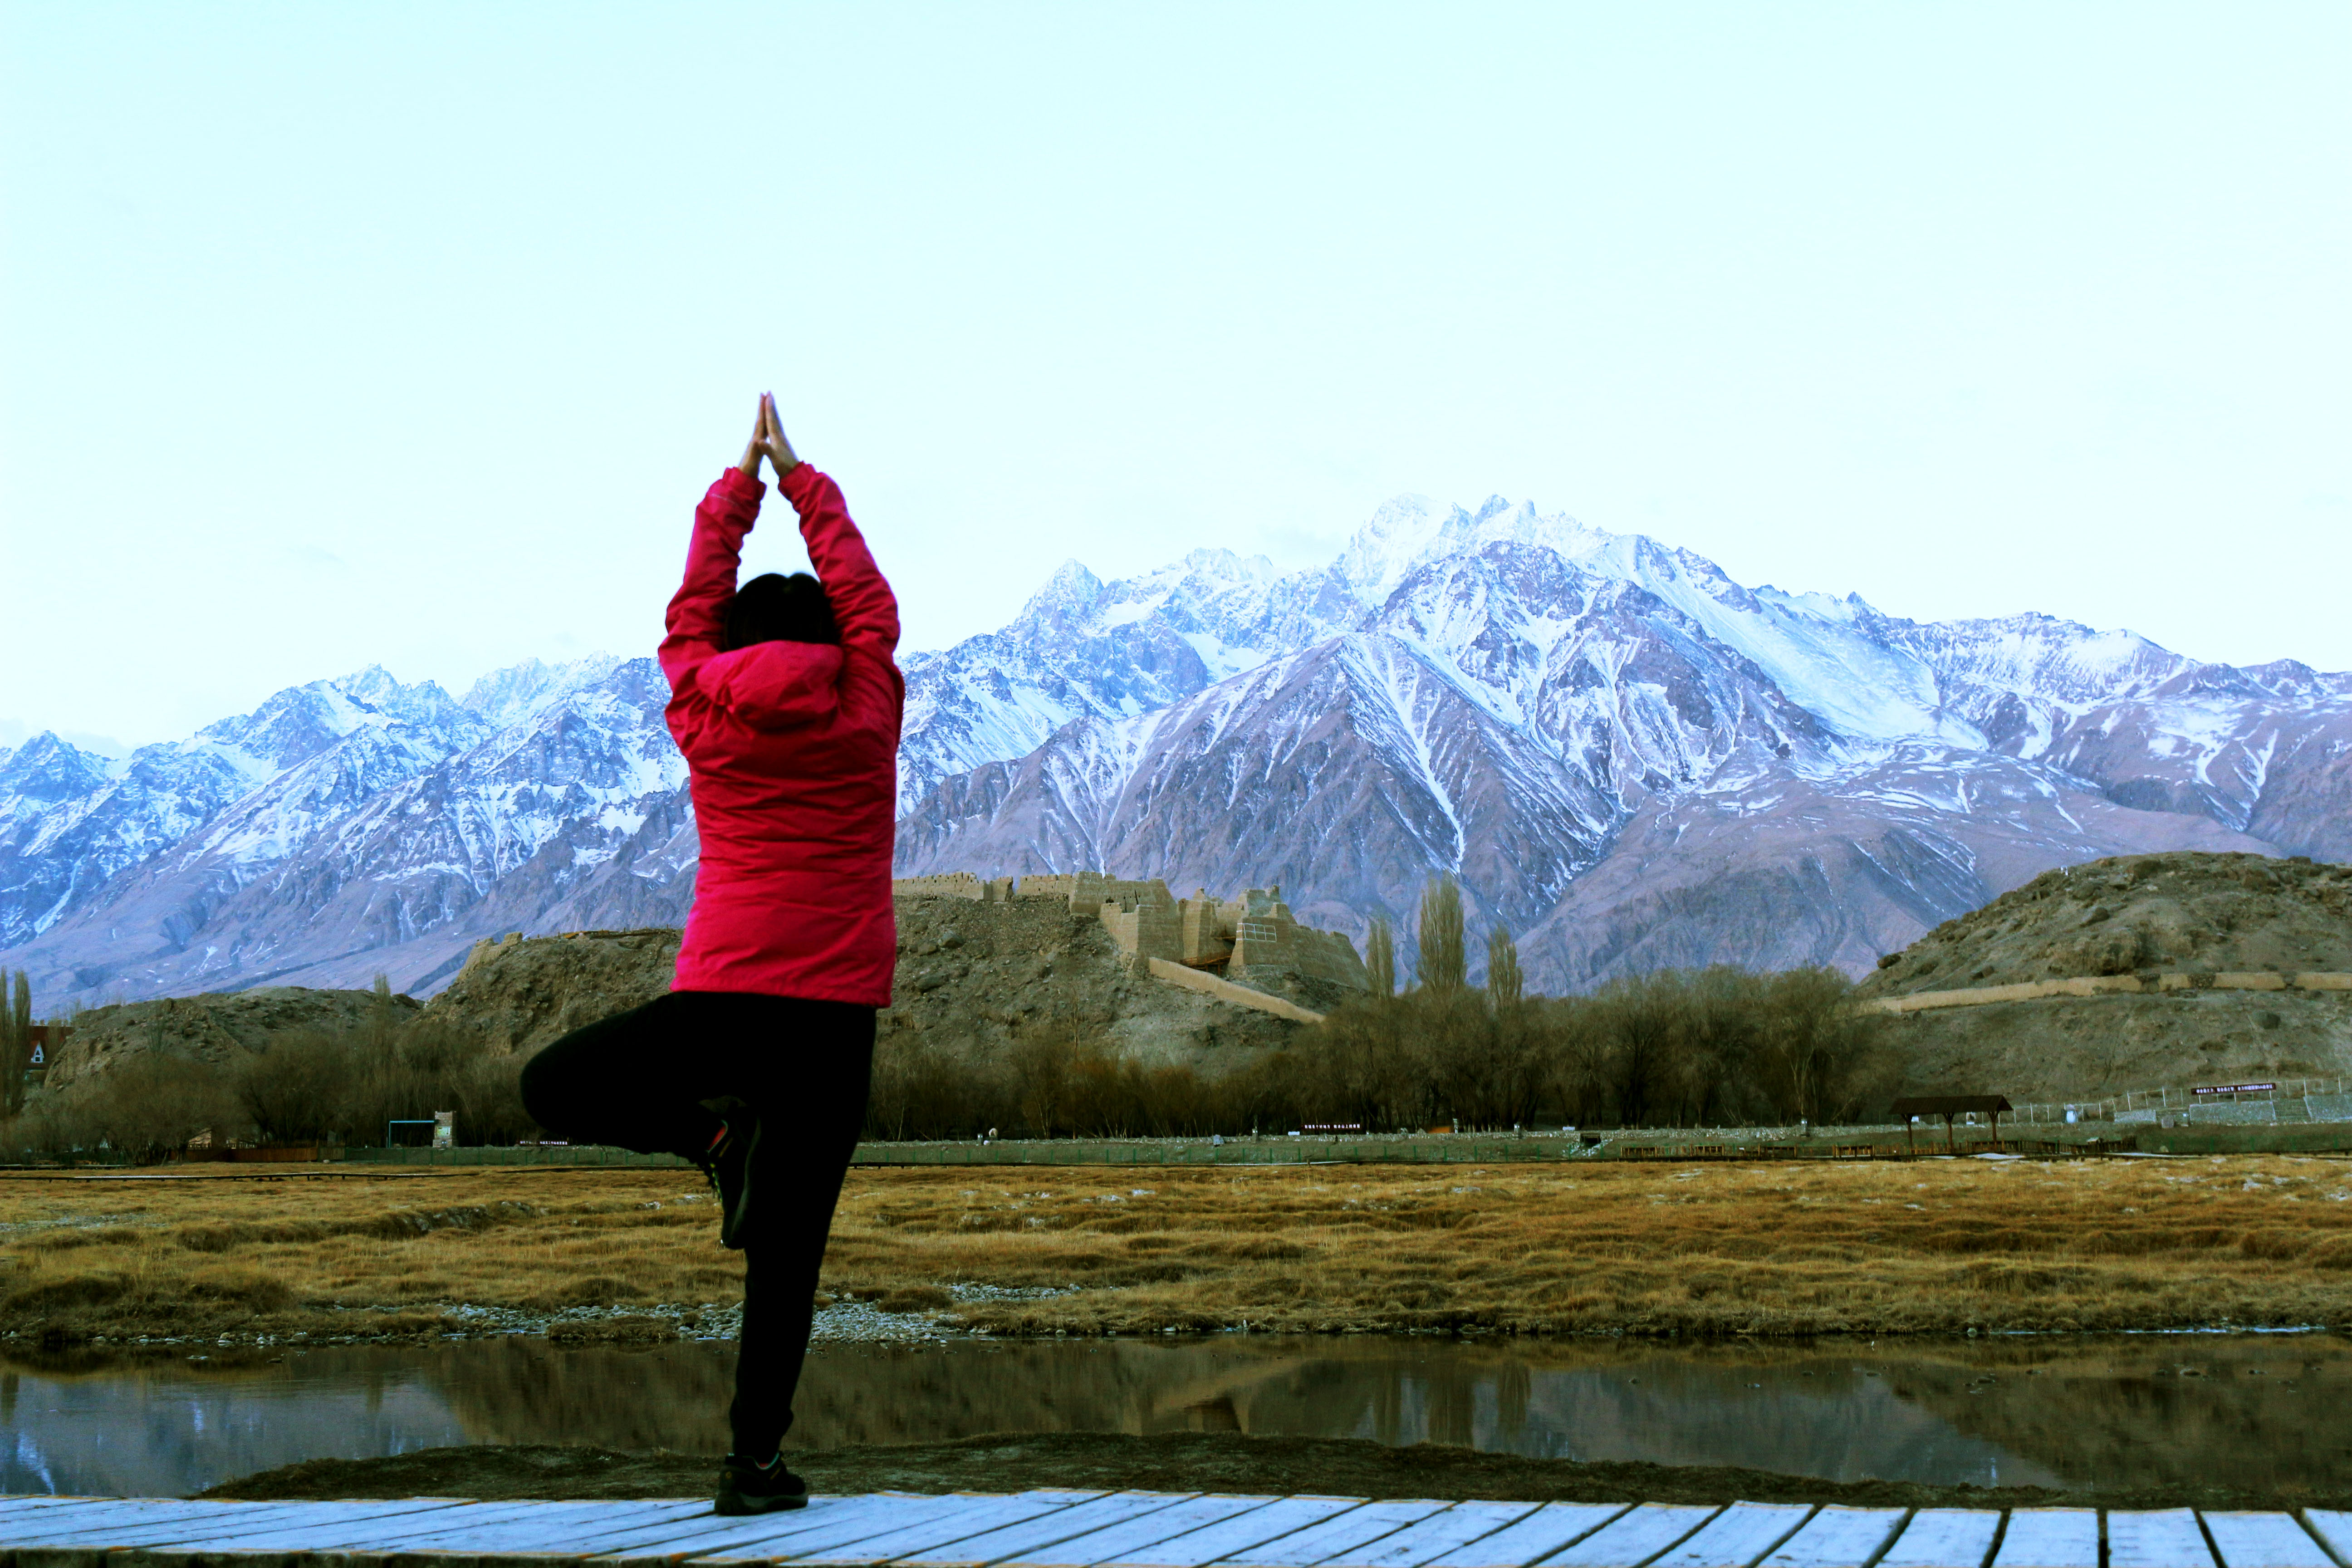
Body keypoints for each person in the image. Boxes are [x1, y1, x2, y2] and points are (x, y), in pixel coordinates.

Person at [519, 393, 902, 1516]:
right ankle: (753, 1466)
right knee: (789, 1255)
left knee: (552, 1087)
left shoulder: (703, 713)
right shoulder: (867, 708)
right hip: (835, 1018)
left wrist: (738, 489)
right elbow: (871, 608)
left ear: (726, 655)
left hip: (725, 995)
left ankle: (715, 1137)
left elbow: (688, 615)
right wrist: (802, 483)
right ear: (837, 649)